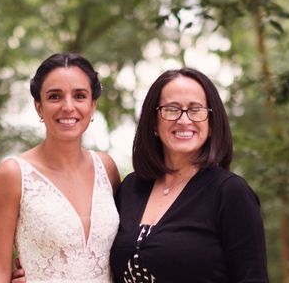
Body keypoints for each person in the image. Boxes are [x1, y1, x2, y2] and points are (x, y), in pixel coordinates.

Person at [109, 67, 269, 282]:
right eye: (172, 109)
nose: (184, 120)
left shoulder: (230, 192)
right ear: (154, 122)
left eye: (196, 110)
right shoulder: (131, 188)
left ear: (211, 123)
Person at [0, 53, 121, 283]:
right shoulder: (13, 174)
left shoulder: (107, 169)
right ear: (39, 107)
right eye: (55, 96)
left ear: (92, 105)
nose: (68, 107)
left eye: (79, 96)